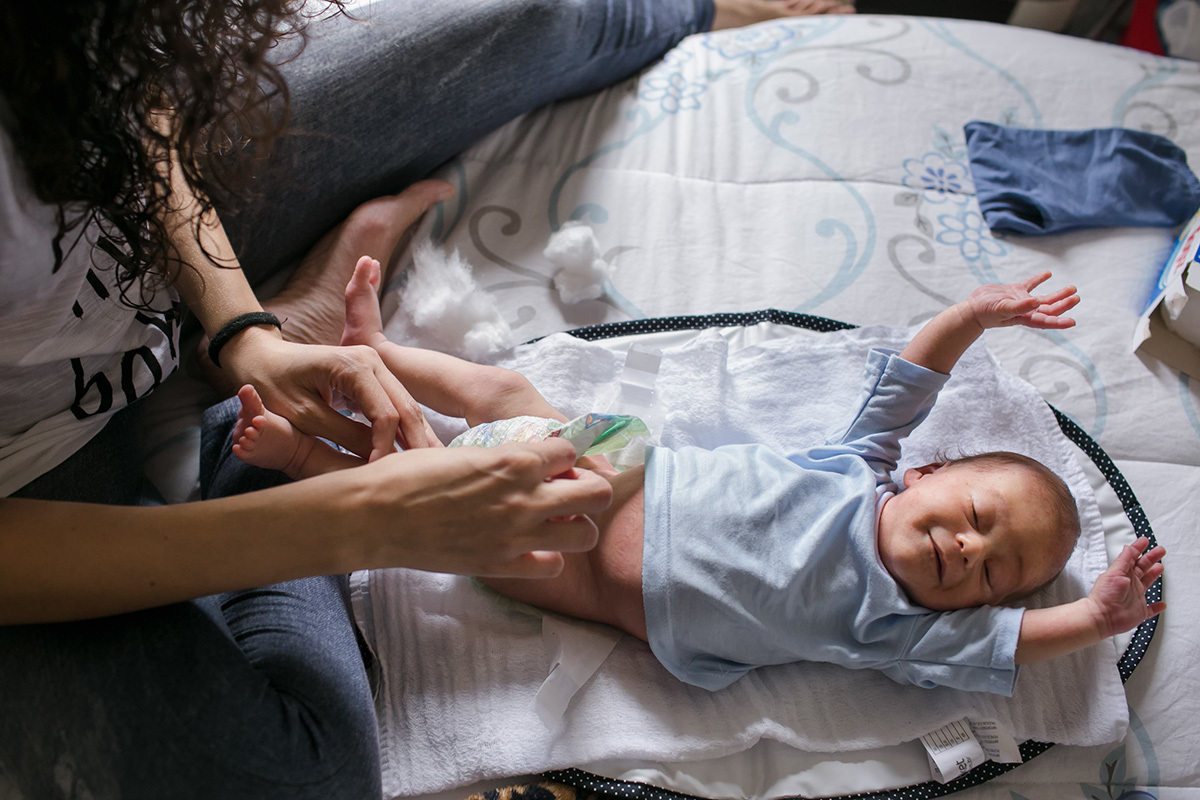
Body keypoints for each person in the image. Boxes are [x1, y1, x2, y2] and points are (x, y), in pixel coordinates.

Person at [0, 1, 856, 797]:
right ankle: (261, 449)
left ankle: (698, 7)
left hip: (145, 276)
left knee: (529, 16)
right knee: (301, 779)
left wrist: (242, 331)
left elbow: (132, 107)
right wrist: (354, 519)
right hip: (37, 482)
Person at [234, 263, 1167, 697]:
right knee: (508, 392)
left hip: (576, 571)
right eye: (973, 517)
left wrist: (1092, 618)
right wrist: (972, 312)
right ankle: (379, 354)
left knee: (432, 501)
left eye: (991, 572)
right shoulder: (859, 466)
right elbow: (913, 380)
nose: (968, 550)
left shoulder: (900, 627)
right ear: (923, 472)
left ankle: (306, 458)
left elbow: (1009, 646)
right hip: (618, 468)